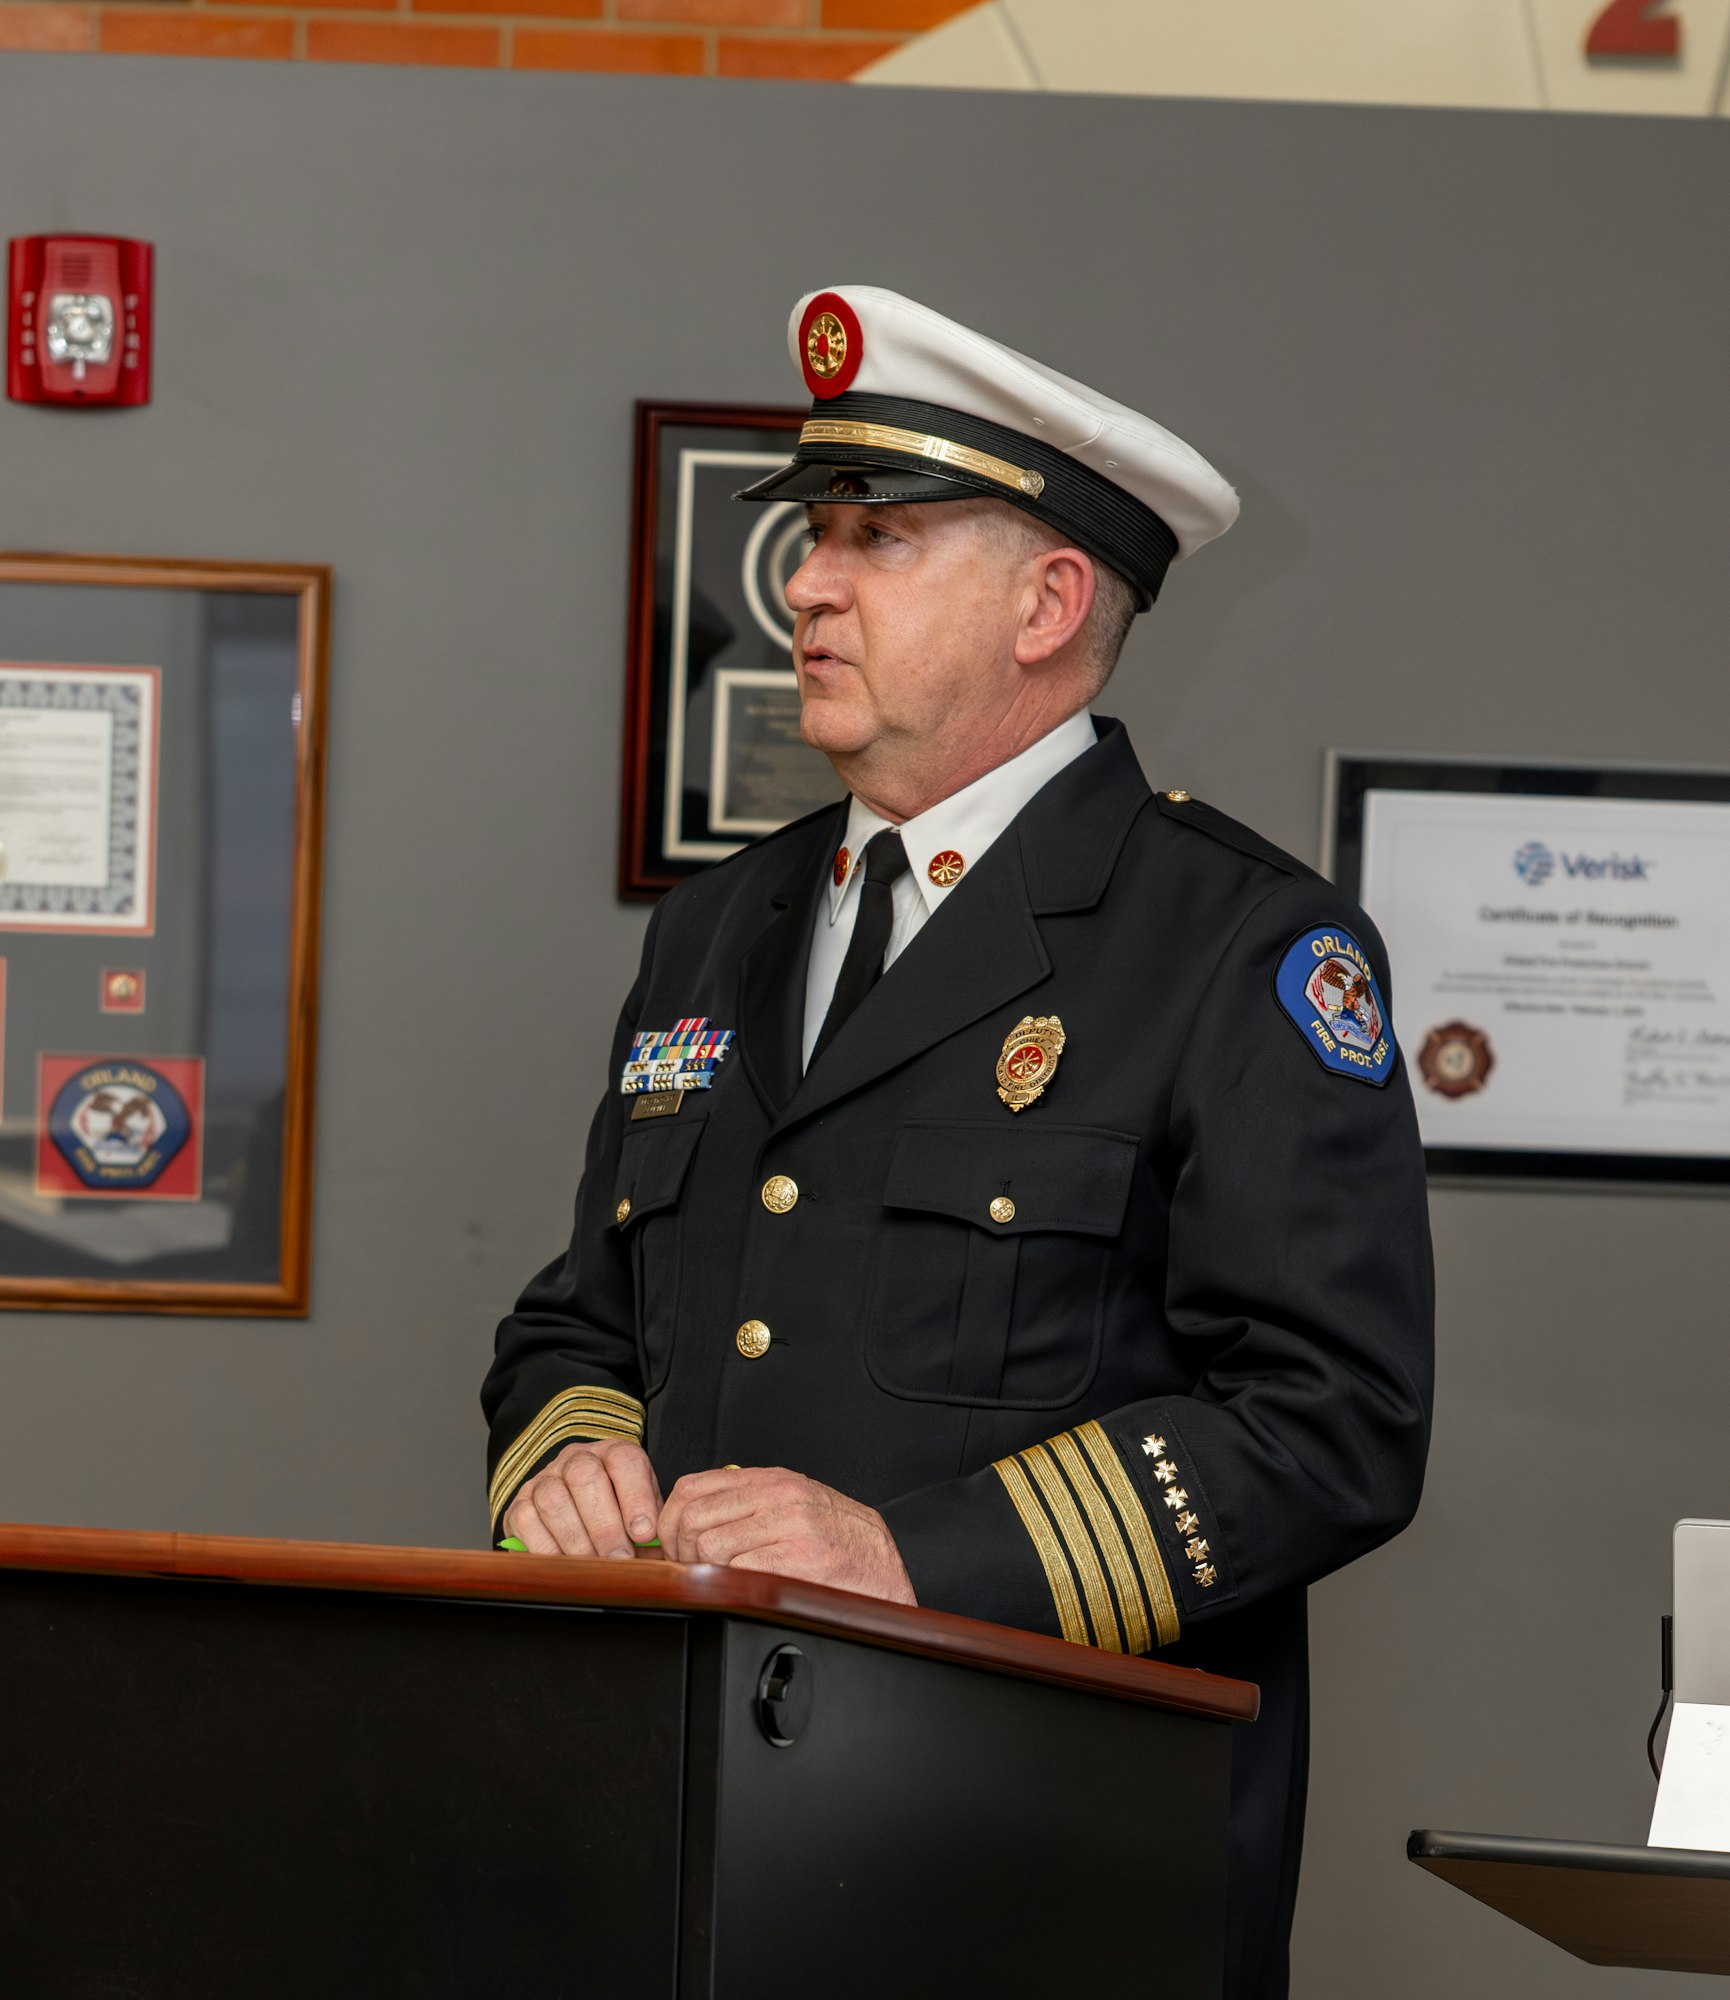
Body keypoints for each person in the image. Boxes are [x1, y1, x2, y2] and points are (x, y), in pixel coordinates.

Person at [482, 285, 1434, 1997]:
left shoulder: (1237, 947)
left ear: (1048, 603)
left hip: (1037, 1864)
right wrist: (566, 1458)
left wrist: (907, 1558)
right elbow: (583, 1315)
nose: (806, 582)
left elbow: (1332, 1423)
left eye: (880, 539)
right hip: (689, 1848)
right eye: (814, 535)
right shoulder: (717, 929)